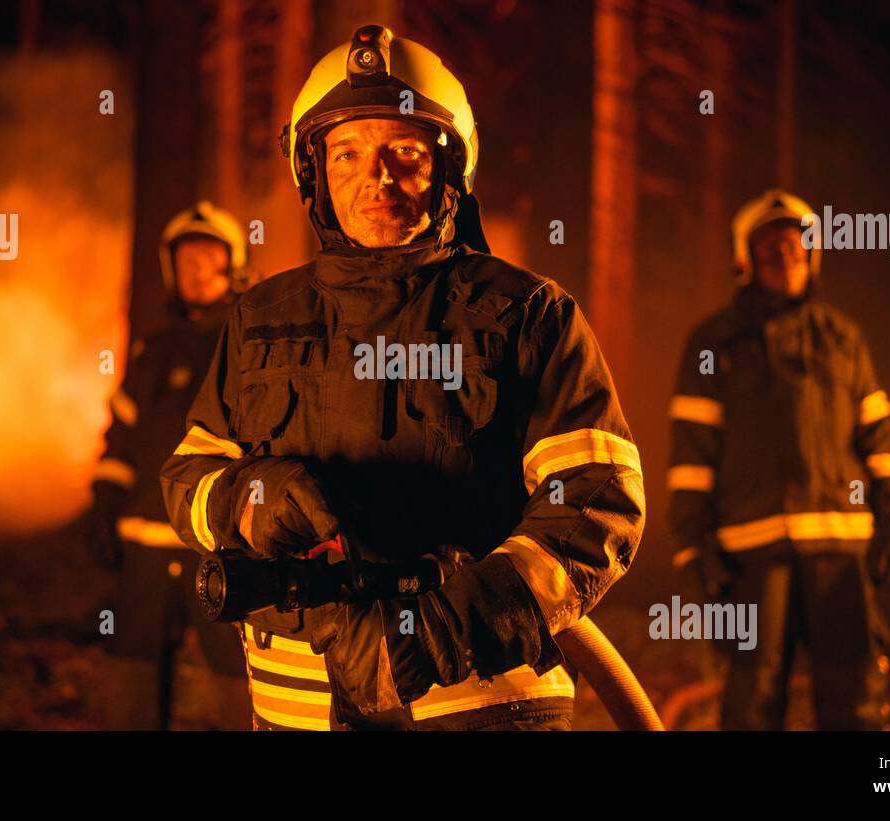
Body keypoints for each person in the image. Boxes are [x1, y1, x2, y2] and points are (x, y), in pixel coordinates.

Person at [161, 25, 645, 731]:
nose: (375, 178)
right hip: (295, 710)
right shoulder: (261, 317)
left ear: (450, 170)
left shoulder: (526, 315)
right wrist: (252, 497)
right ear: (312, 172)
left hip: (480, 706)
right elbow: (189, 476)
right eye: (347, 153)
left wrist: (436, 633)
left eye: (405, 154)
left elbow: (598, 503)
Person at [667, 189, 890, 730]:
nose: (786, 253)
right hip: (752, 554)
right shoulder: (715, 342)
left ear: (813, 252)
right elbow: (691, 457)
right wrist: (694, 546)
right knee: (753, 695)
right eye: (771, 245)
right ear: (745, 258)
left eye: (796, 242)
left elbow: (879, 441)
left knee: (855, 695)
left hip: (841, 546)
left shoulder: (843, 339)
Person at [86, 202, 252, 729]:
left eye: (208, 257)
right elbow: (120, 442)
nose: (197, 270)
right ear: (170, 270)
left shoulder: (249, 345)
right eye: (187, 260)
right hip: (145, 549)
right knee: (131, 675)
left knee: (239, 679)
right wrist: (105, 505)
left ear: (233, 266)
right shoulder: (151, 351)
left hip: (223, 548)